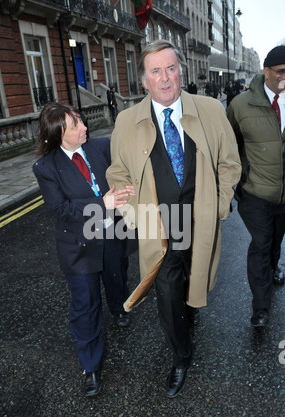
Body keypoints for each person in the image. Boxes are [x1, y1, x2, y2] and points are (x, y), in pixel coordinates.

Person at [106, 40, 241, 398]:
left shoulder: (210, 110)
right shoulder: (125, 121)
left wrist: (221, 204)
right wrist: (135, 217)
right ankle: (181, 357)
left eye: (171, 68)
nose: (165, 78)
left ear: (180, 71)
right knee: (166, 292)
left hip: (200, 218)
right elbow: (118, 175)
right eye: (156, 71)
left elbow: (229, 163)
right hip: (158, 225)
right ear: (144, 81)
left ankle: (190, 307)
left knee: (193, 277)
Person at [33, 102, 135, 396]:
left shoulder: (100, 147)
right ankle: (90, 365)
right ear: (58, 133)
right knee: (86, 303)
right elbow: (60, 208)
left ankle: (119, 307)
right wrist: (101, 204)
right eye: (75, 124)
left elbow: (129, 149)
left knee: (116, 275)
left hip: (112, 232)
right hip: (78, 243)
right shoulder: (45, 167)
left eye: (80, 120)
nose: (84, 127)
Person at [227, 45, 285, 327]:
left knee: (275, 241)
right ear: (266, 72)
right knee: (261, 244)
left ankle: (274, 268)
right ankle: (260, 307)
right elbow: (230, 146)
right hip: (256, 192)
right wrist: (240, 178)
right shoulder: (240, 105)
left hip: (284, 196)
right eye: (282, 72)